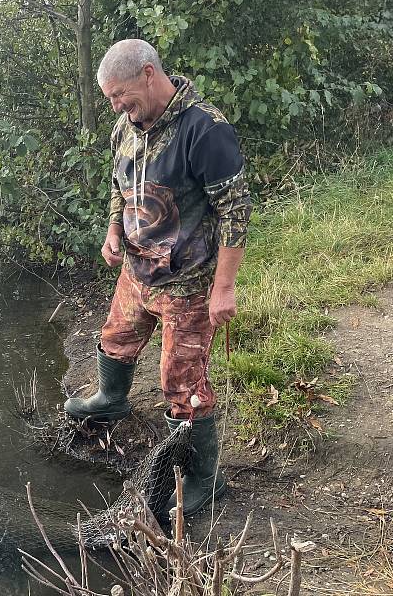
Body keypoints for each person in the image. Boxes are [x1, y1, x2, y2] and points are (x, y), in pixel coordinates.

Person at [62, 39, 252, 516]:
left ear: (149, 74)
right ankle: (110, 399)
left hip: (188, 284)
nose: (116, 105)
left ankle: (205, 479)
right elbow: (117, 185)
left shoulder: (205, 130)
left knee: (181, 386)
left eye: (120, 94)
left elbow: (236, 212)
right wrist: (111, 231)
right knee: (115, 339)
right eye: (109, 98)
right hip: (136, 272)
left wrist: (223, 288)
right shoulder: (124, 128)